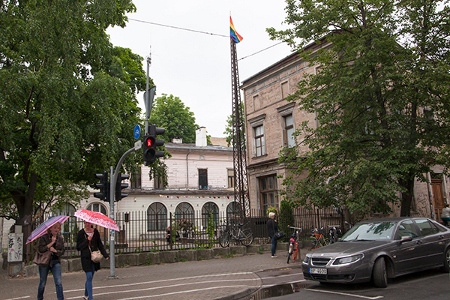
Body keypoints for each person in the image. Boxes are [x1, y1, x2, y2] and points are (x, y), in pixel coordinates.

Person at [76, 221, 109, 300]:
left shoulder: (95, 232)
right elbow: (78, 247)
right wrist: (87, 240)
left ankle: (86, 294)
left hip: (94, 257)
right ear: (84, 223)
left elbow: (99, 244)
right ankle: (90, 298)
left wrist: (105, 255)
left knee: (90, 277)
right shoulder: (81, 233)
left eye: (89, 223)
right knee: (89, 276)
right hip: (86, 258)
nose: (87, 224)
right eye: (86, 223)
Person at [37, 222, 65, 300]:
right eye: (55, 228)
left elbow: (62, 251)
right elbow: (41, 249)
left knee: (58, 282)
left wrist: (55, 251)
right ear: (50, 228)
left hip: (55, 262)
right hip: (45, 262)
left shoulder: (60, 238)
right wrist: (51, 243)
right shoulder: (44, 237)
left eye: (58, 228)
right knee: (42, 283)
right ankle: (39, 298)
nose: (56, 229)